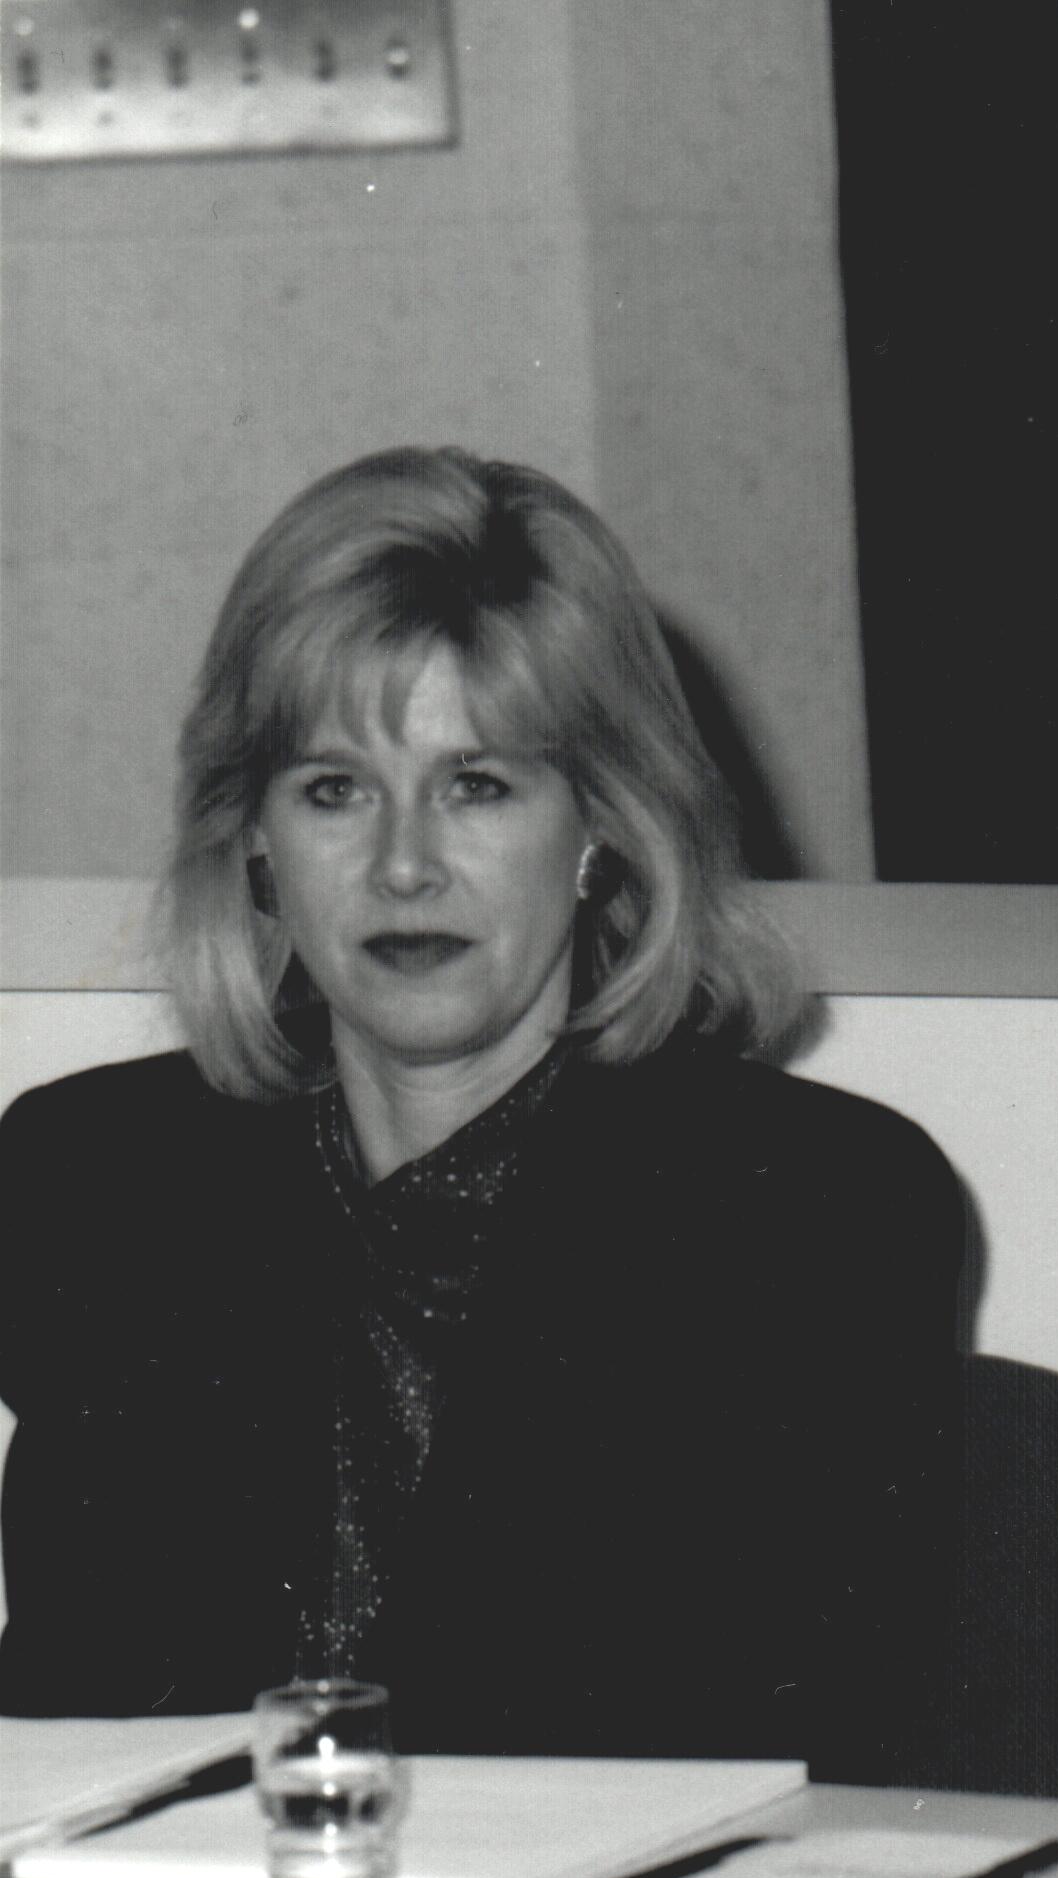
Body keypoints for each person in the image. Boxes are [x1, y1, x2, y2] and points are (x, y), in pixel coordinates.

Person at [0, 446, 965, 1774]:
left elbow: (757, 1739)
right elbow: (75, 1687)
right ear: (258, 841)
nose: (403, 865)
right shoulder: (91, 1179)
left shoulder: (810, 1206)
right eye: (334, 789)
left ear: (600, 831)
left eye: (478, 786)